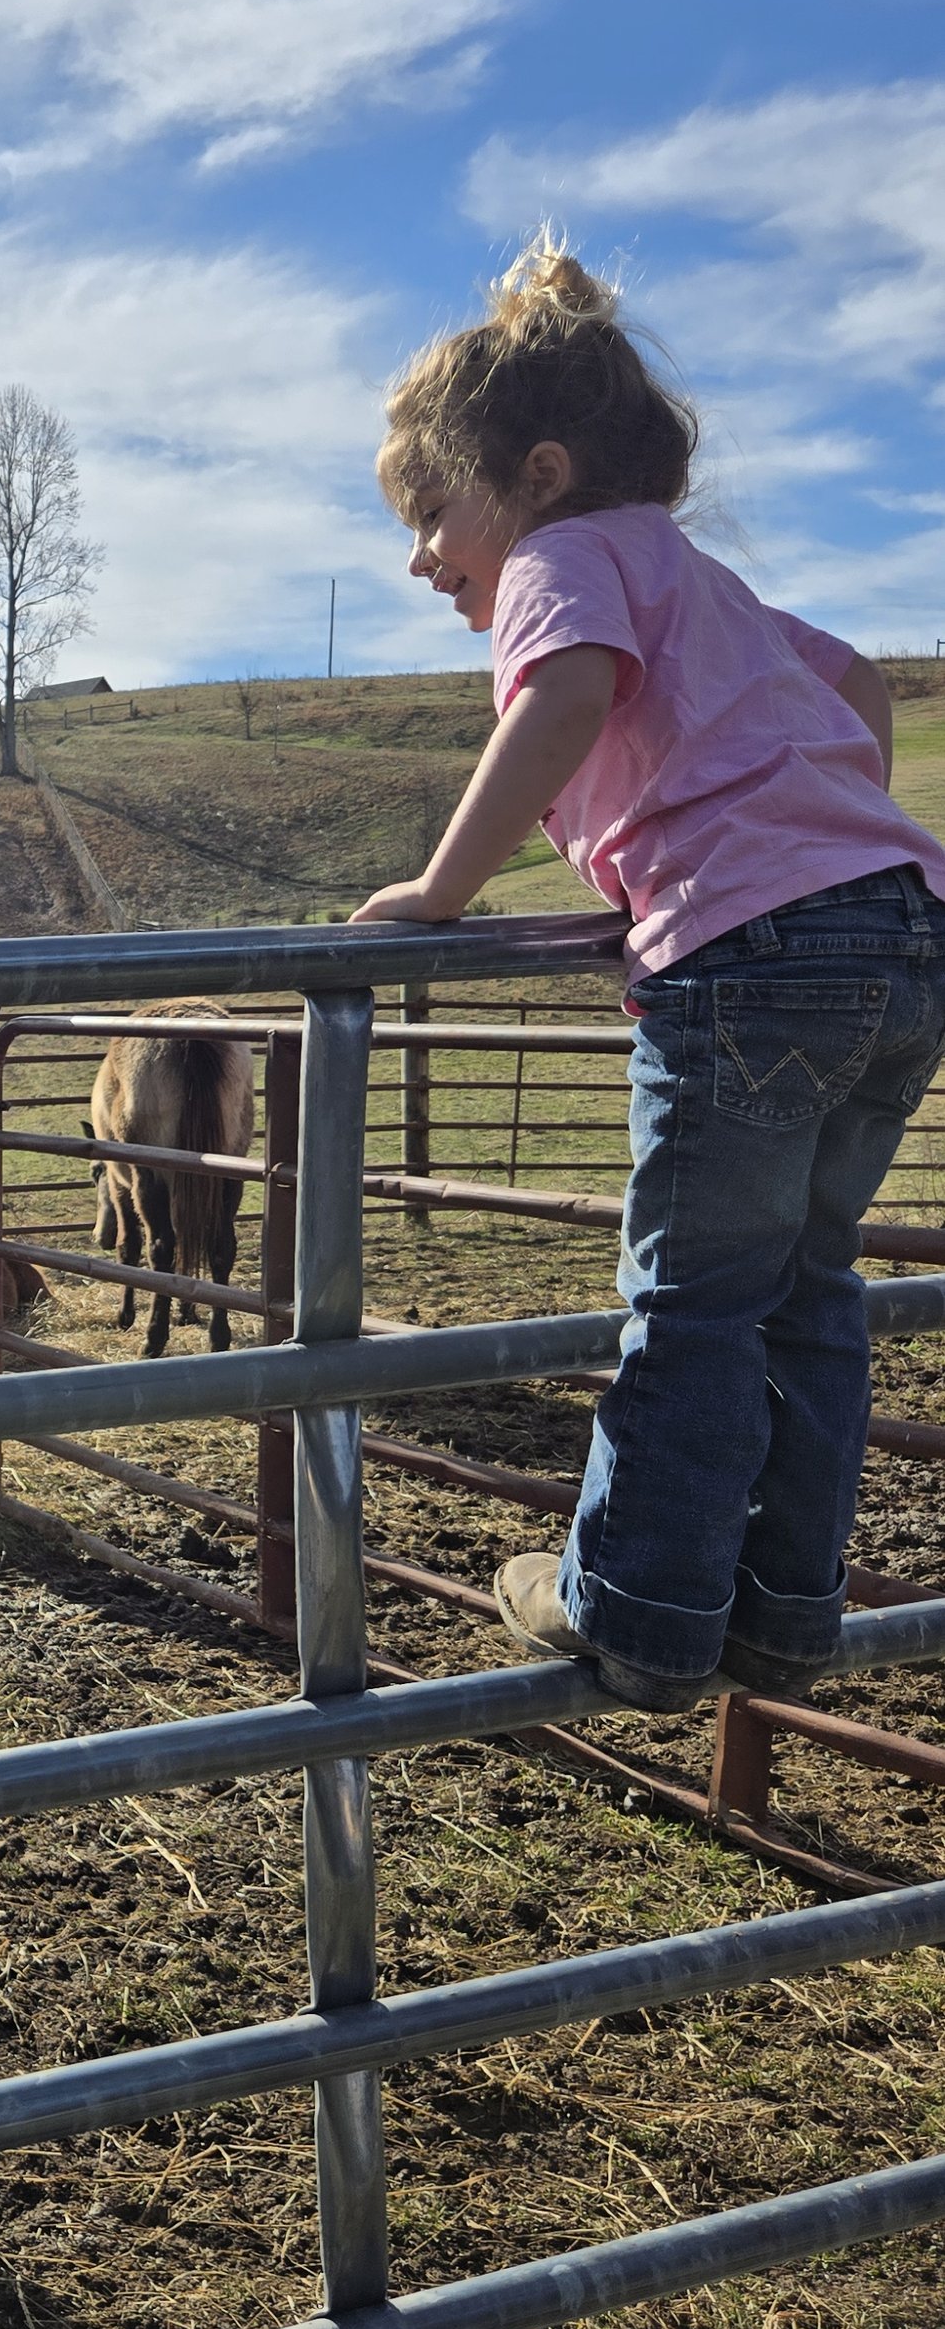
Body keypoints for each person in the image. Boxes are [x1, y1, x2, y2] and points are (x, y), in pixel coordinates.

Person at [349, 239, 945, 1711]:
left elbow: (566, 696)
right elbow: (858, 686)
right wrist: (817, 828)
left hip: (753, 962)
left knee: (685, 1299)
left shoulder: (566, 561)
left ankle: (641, 1608)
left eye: (433, 514)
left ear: (537, 474)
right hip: (902, 933)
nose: (425, 557)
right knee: (803, 1285)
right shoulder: (700, 576)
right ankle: (788, 1606)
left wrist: (439, 890)